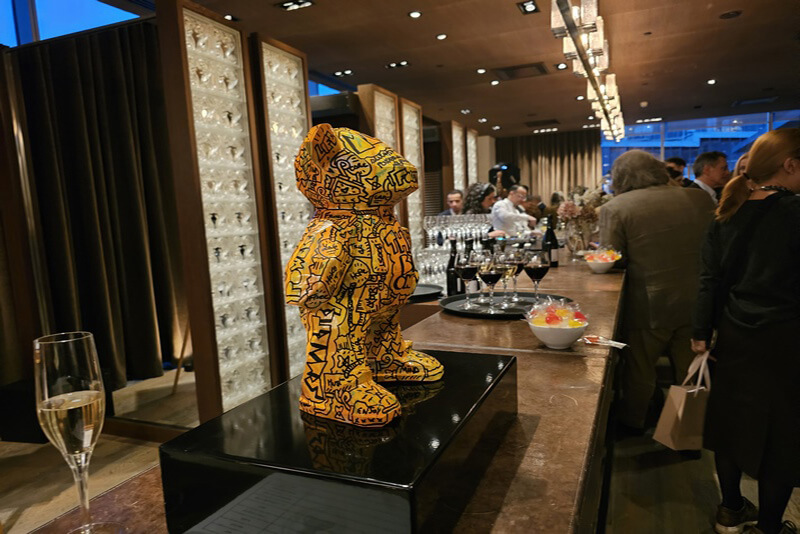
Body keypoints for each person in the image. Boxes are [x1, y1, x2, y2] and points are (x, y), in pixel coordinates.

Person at [691, 129, 800, 534]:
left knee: (731, 424)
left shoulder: (727, 212)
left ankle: (730, 509)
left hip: (733, 333)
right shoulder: (795, 212)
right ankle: (770, 526)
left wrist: (701, 332)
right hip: (787, 339)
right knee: (782, 435)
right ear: (790, 164)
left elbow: (709, 280)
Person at [599, 150, 715, 433]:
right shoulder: (699, 198)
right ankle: (687, 432)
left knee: (640, 371)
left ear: (620, 177)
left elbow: (611, 258)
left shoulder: (616, 207)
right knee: (690, 372)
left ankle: (634, 424)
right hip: (697, 300)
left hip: (649, 304)